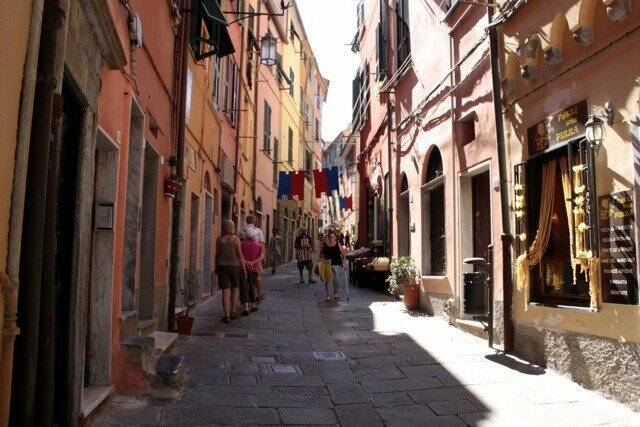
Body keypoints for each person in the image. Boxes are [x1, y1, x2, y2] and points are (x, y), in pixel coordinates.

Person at [215, 220, 247, 323]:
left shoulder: (219, 239)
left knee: (225, 292)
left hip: (222, 267)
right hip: (235, 267)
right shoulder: (236, 240)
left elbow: (217, 255)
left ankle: (226, 315)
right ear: (232, 227)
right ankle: (233, 312)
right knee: (234, 291)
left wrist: (216, 267)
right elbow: (240, 255)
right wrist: (244, 269)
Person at [241, 214, 266, 301]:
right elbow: (262, 244)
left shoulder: (242, 230)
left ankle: (247, 296)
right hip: (256, 257)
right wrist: (263, 257)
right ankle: (258, 294)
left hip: (244, 257)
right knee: (257, 277)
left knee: (246, 277)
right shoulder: (258, 231)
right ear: (254, 221)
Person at [320, 230, 346, 302]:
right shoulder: (325, 245)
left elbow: (343, 254)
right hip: (327, 264)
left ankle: (336, 293)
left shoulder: (338, 244)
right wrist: (321, 260)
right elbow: (320, 254)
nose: (331, 238)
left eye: (332, 237)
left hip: (336, 264)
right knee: (328, 280)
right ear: (328, 237)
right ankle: (328, 295)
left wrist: (344, 263)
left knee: (336, 280)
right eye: (330, 237)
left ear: (335, 238)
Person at [240, 231, 263, 316]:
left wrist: (246, 263)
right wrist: (252, 263)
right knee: (252, 286)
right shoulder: (258, 245)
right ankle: (253, 305)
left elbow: (240, 255)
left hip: (244, 268)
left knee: (244, 287)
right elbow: (261, 256)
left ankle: (245, 307)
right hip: (254, 268)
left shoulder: (242, 244)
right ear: (254, 236)